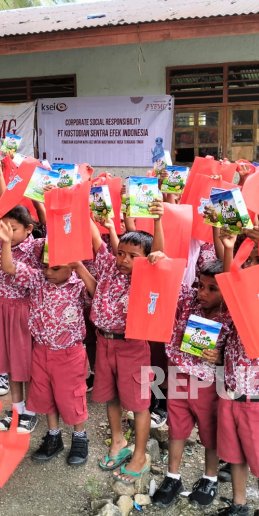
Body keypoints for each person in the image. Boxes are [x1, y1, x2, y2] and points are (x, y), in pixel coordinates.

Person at [204, 231, 259, 516]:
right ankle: (239, 506)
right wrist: (229, 250)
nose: (250, 266)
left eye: (257, 261)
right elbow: (229, 284)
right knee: (235, 456)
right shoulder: (237, 306)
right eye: (247, 261)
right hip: (231, 398)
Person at [0, 219, 96, 465]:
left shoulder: (77, 286)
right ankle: (53, 436)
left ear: (71, 267)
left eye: (56, 268)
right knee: (46, 395)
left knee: (72, 396)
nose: (48, 272)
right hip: (41, 351)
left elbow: (97, 293)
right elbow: (10, 267)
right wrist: (6, 243)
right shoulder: (38, 280)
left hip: (69, 353)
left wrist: (79, 268)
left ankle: (79, 437)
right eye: (45, 266)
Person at [91, 202, 165, 484]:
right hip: (104, 342)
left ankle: (140, 456)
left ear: (144, 261)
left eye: (132, 256)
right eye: (120, 253)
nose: (123, 259)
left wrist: (158, 222)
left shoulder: (146, 277)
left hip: (132, 347)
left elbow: (157, 255)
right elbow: (97, 239)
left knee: (139, 403)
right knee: (110, 396)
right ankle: (119, 441)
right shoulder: (110, 267)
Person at [151, 258, 226, 509]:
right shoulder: (188, 301)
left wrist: (221, 357)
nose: (202, 293)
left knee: (210, 433)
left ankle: (210, 478)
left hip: (209, 385)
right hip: (179, 377)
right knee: (177, 429)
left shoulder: (233, 317)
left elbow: (242, 352)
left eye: (212, 289)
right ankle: (173, 477)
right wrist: (160, 261)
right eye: (200, 285)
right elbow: (169, 279)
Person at [0, 204, 45, 432]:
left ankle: (32, 411)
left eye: (12, 228)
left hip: (25, 311)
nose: (5, 232)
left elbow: (10, 268)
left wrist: (45, 204)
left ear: (28, 229)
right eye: (2, 227)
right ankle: (17, 407)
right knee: (11, 364)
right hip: (1, 308)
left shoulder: (36, 247)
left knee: (27, 363)